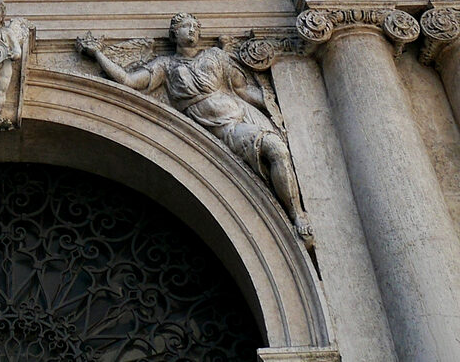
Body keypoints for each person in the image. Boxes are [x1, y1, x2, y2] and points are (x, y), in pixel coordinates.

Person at [80, 12, 309, 237]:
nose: (191, 30)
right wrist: (97, 53)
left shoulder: (216, 55)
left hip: (242, 116)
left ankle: (296, 214)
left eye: (194, 26)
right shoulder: (166, 66)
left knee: (277, 147)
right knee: (272, 148)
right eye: (185, 26)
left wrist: (275, 101)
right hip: (221, 130)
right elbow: (129, 81)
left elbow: (241, 90)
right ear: (173, 33)